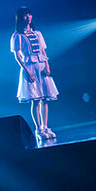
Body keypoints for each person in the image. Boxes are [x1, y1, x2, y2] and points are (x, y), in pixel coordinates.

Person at [10, 7, 59, 140]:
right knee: (35, 99)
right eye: (25, 15)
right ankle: (38, 129)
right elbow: (17, 56)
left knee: (45, 98)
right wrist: (26, 71)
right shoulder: (17, 36)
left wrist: (47, 65)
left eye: (29, 14)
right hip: (30, 67)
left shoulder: (37, 33)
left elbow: (43, 51)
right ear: (20, 18)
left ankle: (46, 126)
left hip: (41, 66)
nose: (28, 17)